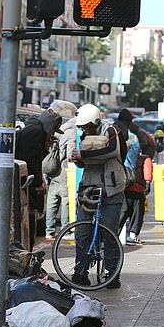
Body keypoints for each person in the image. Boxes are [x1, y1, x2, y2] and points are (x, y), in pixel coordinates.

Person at [71, 104, 126, 288]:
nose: (84, 130)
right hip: (89, 188)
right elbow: (83, 163)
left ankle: (112, 273)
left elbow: (112, 151)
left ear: (95, 122)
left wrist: (84, 154)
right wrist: (79, 159)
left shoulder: (110, 131)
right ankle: (80, 272)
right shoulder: (84, 136)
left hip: (111, 188)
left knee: (109, 231)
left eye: (87, 126)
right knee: (82, 232)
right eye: (82, 127)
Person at [15, 108, 63, 242]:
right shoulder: (35, 132)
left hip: (24, 183)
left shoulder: (34, 130)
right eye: (53, 130)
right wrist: (37, 183)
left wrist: (46, 146)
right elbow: (31, 160)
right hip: (26, 185)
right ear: (49, 126)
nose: (53, 134)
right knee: (28, 222)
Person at [119, 134, 153, 245]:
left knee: (122, 213)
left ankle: (114, 234)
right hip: (138, 190)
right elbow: (147, 170)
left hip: (124, 189)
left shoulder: (123, 157)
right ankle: (132, 235)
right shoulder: (145, 159)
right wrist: (147, 183)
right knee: (137, 214)